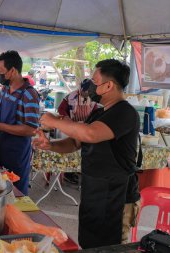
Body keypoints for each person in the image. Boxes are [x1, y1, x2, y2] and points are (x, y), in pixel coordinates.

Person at [33, 59, 140, 249]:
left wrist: (54, 121)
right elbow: (76, 142)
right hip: (94, 192)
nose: (89, 85)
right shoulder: (99, 113)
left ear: (108, 86)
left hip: (117, 196)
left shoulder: (125, 112)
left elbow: (91, 134)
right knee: (90, 243)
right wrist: (50, 145)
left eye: (94, 80)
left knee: (110, 248)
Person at [0, 50, 40, 195]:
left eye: (1, 72)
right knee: (1, 186)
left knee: (16, 190)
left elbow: (31, 129)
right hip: (2, 148)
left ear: (13, 71)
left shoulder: (29, 94)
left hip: (17, 152)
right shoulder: (5, 89)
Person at [58, 78, 98, 184]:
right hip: (71, 127)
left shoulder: (93, 98)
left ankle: (81, 171)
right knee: (71, 151)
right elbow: (61, 109)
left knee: (85, 150)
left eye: (88, 91)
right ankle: (68, 173)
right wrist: (66, 118)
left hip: (85, 128)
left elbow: (95, 112)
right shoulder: (71, 97)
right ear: (80, 88)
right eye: (85, 91)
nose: (86, 93)